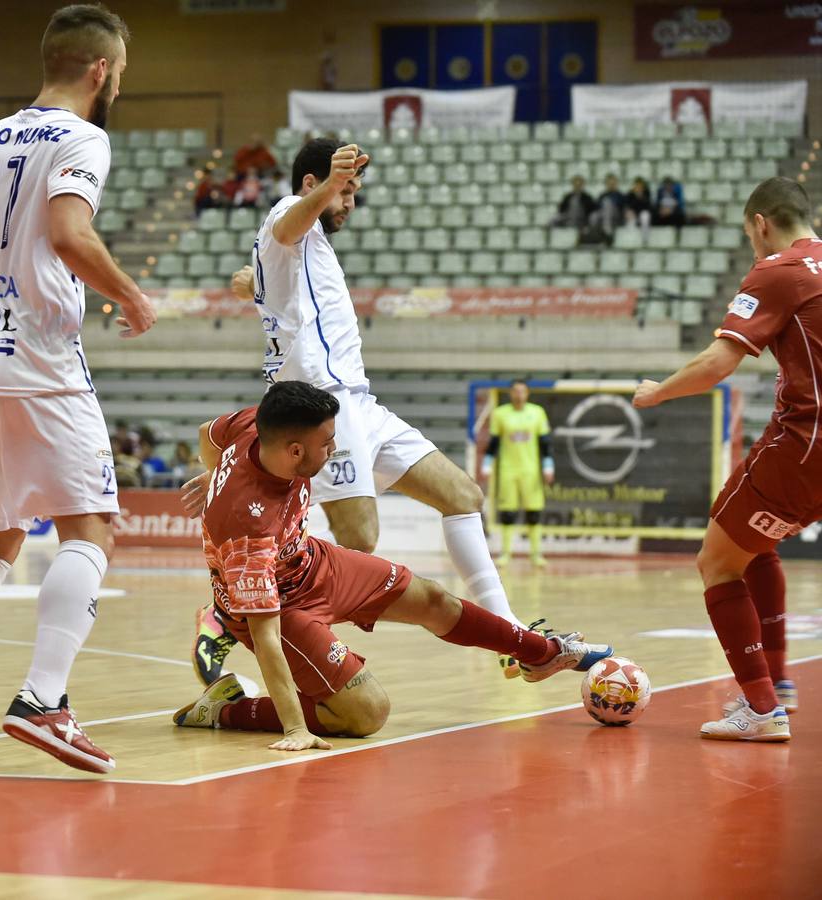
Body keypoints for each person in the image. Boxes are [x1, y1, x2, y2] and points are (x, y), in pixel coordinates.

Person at [0, 3, 155, 774]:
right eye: (120, 72)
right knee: (90, 530)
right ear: (100, 71)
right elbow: (69, 234)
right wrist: (130, 295)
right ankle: (44, 700)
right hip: (41, 363)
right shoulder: (84, 137)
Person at [212, 138, 529, 688]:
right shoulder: (288, 214)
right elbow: (287, 227)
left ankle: (508, 630)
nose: (351, 203)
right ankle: (232, 613)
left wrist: (252, 287)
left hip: (360, 400)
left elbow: (268, 281)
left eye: (354, 192)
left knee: (462, 496)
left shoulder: (304, 250)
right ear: (312, 184)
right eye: (345, 191)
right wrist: (330, 186)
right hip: (322, 400)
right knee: (359, 542)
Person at [172, 383, 613, 750]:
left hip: (311, 561)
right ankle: (225, 708)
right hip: (279, 608)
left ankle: (542, 653)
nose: (336, 448)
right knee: (366, 713)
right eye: (326, 444)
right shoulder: (247, 527)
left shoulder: (257, 422)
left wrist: (221, 474)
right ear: (291, 451)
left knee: (434, 600)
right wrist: (294, 729)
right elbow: (267, 639)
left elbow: (208, 433)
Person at [634, 176, 822, 742]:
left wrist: (658, 391)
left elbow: (719, 363)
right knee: (744, 536)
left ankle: (762, 709)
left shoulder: (776, 270)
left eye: (749, 236)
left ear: (761, 223)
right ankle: (778, 680)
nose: (752, 247)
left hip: (806, 440)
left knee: (716, 563)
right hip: (800, 439)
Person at [482, 380, 553, 567]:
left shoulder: (537, 412)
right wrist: (487, 464)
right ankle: (506, 553)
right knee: (507, 512)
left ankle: (536, 554)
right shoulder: (500, 414)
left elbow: (545, 442)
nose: (519, 394)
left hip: (531, 471)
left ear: (527, 393)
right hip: (508, 470)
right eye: (515, 391)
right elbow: (494, 442)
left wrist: (548, 466)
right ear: (510, 393)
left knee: (534, 511)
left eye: (522, 391)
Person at [594, 173, 627, 239]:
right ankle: (596, 235)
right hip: (604, 215)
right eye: (609, 183)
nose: (611, 185)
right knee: (593, 216)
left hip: (616, 216)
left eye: (613, 183)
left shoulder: (620, 195)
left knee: (607, 202)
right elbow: (597, 208)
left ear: (616, 183)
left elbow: (624, 208)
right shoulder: (602, 195)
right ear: (606, 184)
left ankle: (607, 232)